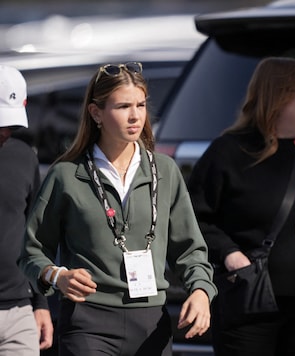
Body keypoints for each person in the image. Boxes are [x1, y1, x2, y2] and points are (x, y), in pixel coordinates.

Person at [18, 61, 217, 355]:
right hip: (87, 321)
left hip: (152, 322)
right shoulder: (66, 174)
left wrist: (201, 290)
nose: (135, 115)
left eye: (141, 104)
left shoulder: (165, 171)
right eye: (123, 106)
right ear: (96, 112)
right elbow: (32, 250)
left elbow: (190, 250)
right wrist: (57, 276)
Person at [187, 57, 295, 356]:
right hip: (247, 306)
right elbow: (191, 219)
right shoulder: (229, 151)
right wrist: (229, 254)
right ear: (279, 95)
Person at [0, 65, 54, 354]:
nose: (5, 130)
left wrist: (40, 304)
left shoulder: (23, 156)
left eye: (10, 123)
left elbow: (35, 235)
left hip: (20, 311)